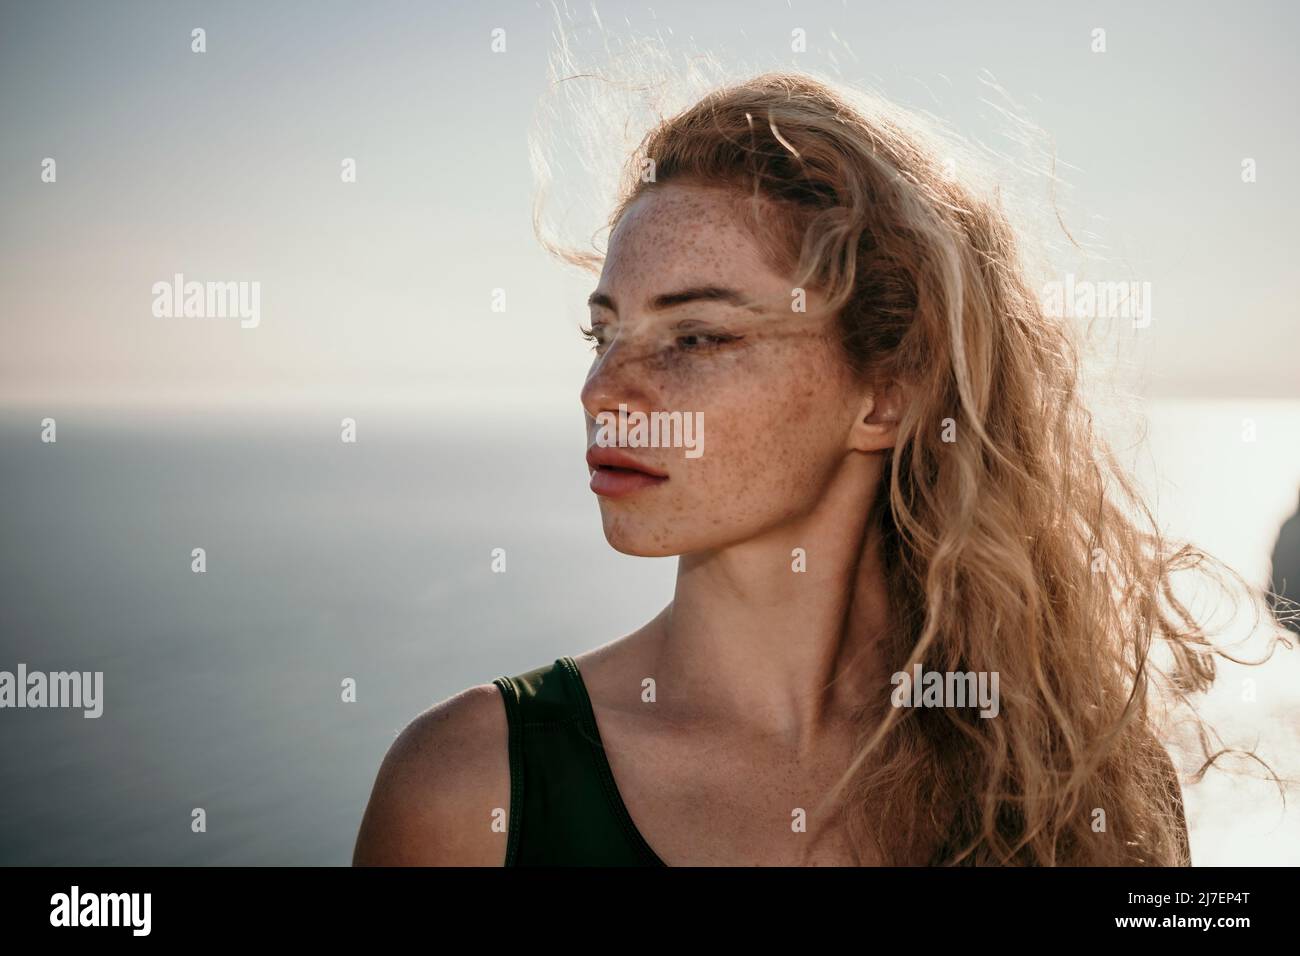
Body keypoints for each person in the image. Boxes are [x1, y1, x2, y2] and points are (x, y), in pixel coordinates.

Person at [354, 72, 1276, 866]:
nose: (605, 391)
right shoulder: (473, 789)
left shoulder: (1076, 777)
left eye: (698, 335)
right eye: (604, 333)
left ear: (886, 394)